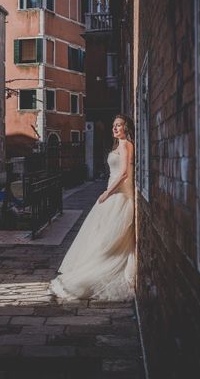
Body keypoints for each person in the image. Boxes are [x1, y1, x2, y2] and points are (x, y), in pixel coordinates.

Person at [49, 114, 136, 301]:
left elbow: (124, 174)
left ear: (126, 128)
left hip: (119, 195)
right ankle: (90, 267)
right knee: (100, 236)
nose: (115, 128)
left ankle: (97, 272)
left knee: (108, 238)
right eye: (114, 125)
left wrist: (107, 193)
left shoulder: (126, 145)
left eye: (119, 125)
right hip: (112, 194)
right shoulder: (117, 145)